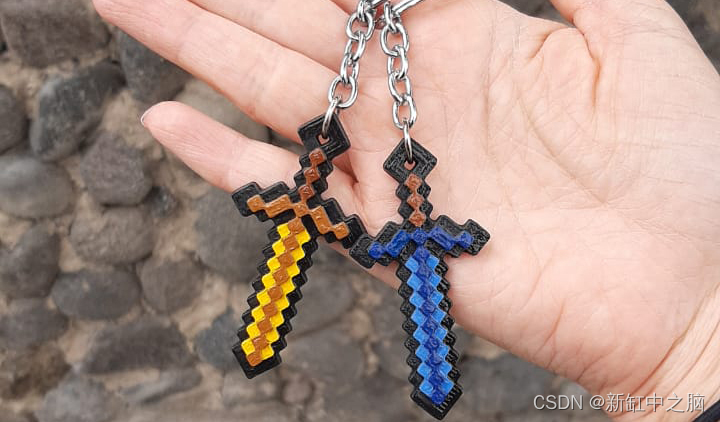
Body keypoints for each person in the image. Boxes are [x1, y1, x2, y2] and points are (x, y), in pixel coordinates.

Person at [92, 0, 720, 419]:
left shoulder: (408, 231)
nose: (412, 181)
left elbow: (409, 238)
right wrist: (690, 361)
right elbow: (355, 233)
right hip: (326, 222)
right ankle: (263, 343)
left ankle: (423, 379)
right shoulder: (318, 209)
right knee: (279, 295)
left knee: (424, 332)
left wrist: (694, 348)